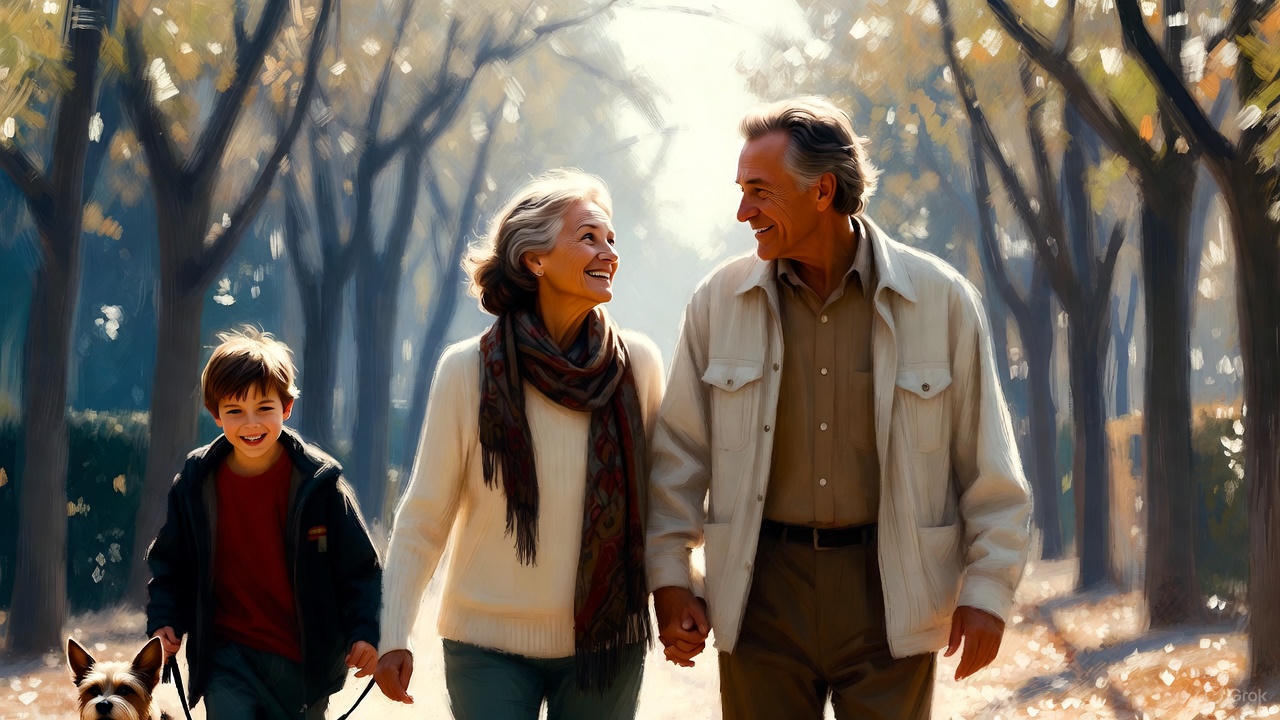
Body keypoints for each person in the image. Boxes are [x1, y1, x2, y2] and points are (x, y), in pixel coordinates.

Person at [646, 96, 1032, 719]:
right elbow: (678, 461)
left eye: (760, 192)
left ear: (822, 190)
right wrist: (670, 579)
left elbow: (991, 469)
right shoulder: (717, 303)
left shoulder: (941, 301)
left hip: (892, 595)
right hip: (759, 595)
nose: (743, 211)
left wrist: (988, 592)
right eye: (742, 192)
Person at [373, 169, 664, 720]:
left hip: (606, 645)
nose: (609, 252)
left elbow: (664, 501)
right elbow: (426, 515)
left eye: (611, 239)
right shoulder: (467, 369)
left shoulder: (638, 366)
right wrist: (393, 634)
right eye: (588, 237)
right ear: (535, 259)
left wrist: (679, 590)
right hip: (486, 645)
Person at [145, 326, 382, 719]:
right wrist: (166, 619)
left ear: (286, 407)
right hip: (226, 658)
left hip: (303, 663)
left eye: (264, 408)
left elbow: (361, 569)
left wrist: (364, 632)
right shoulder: (195, 483)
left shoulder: (320, 484)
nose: (251, 423)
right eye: (235, 411)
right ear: (216, 414)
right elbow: (171, 563)